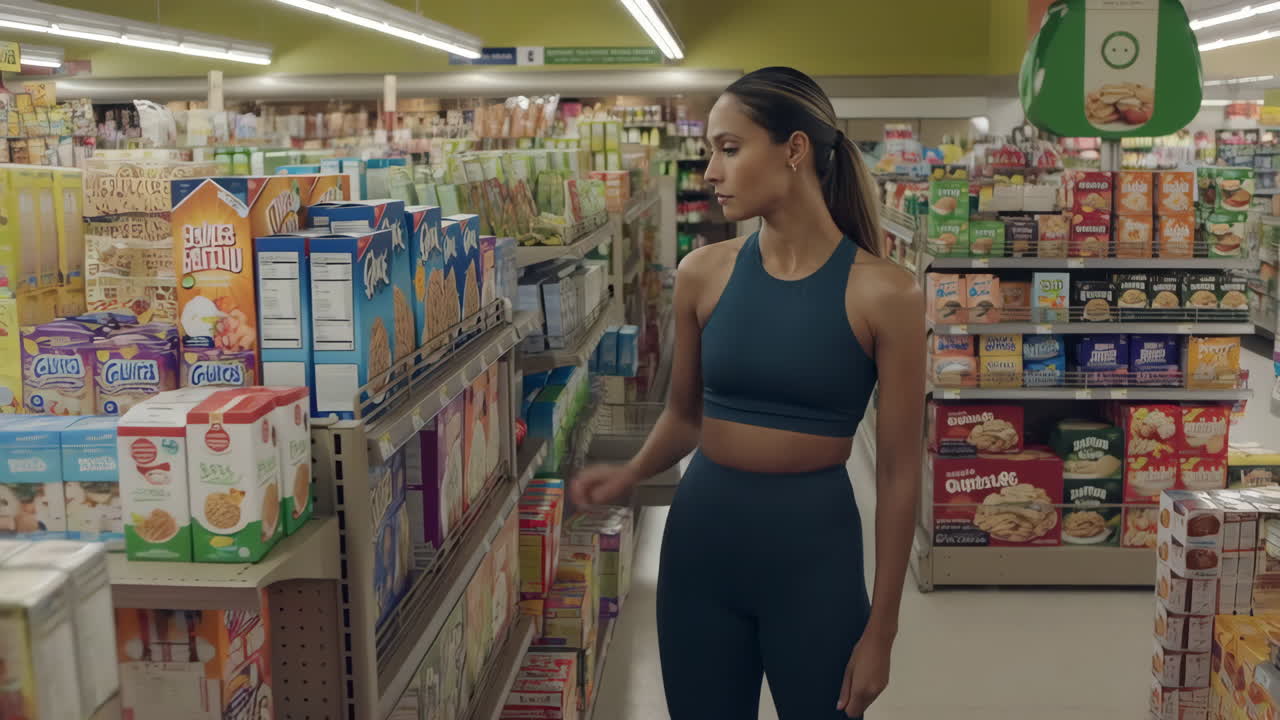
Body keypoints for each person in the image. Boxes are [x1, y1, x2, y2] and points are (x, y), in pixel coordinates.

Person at [570, 66, 924, 719]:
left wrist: (884, 630)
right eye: (711, 151)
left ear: (793, 150)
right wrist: (630, 475)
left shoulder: (887, 292)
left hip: (815, 562)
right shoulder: (701, 274)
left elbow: (901, 475)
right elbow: (685, 415)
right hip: (700, 550)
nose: (709, 171)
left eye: (729, 149)